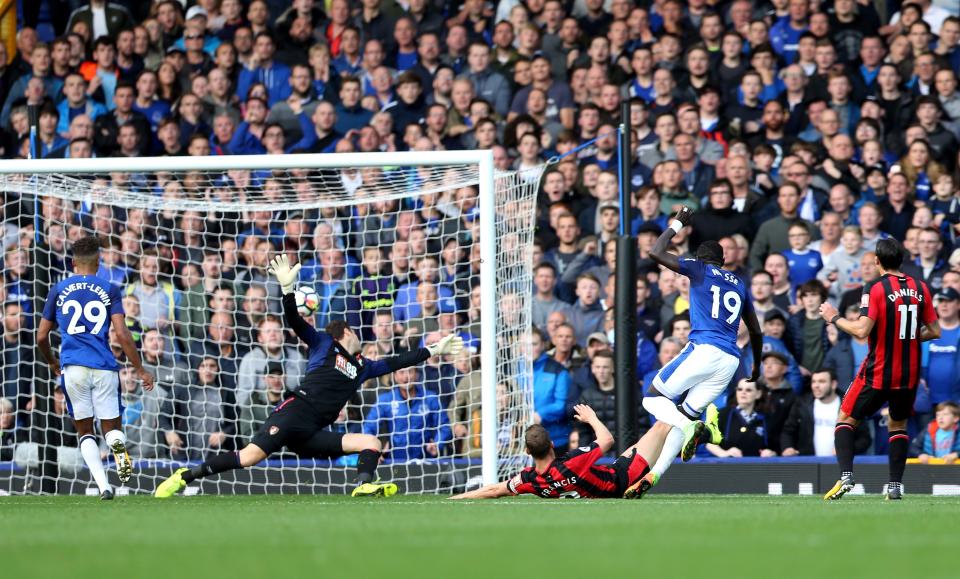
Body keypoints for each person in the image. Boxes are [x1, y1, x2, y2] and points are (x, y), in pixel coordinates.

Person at [154, 256, 464, 499]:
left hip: (313, 432)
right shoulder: (323, 343)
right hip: (294, 413)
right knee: (248, 457)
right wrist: (288, 290)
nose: (359, 335)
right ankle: (186, 475)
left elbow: (397, 361)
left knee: (371, 442)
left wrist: (433, 349)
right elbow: (294, 321)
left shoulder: (363, 367)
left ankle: (363, 485)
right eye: (354, 331)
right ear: (343, 334)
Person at [638, 207, 763, 497]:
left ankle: (695, 426)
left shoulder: (700, 269)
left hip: (704, 348)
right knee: (682, 412)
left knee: (652, 398)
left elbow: (655, 252)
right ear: (723, 260)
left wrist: (677, 224)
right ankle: (655, 474)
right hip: (732, 360)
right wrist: (754, 366)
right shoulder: (740, 284)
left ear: (700, 259)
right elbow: (755, 331)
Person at [819, 239, 941, 501]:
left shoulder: (875, 288)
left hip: (878, 370)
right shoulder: (921, 287)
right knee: (898, 426)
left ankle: (846, 476)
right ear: (902, 259)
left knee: (846, 418)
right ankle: (895, 486)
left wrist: (834, 317)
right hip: (908, 374)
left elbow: (862, 331)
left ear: (877, 260)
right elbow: (934, 331)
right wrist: (905, 337)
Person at [36, 236, 156, 500]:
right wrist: (140, 370)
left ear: (73, 263)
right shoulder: (110, 288)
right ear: (99, 262)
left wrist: (52, 362)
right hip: (104, 365)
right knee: (112, 427)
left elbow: (41, 337)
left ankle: (103, 486)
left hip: (73, 368)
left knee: (85, 430)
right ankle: (118, 446)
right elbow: (123, 334)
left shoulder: (58, 289)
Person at [449, 403, 672, 500]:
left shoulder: (530, 480)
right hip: (624, 477)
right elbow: (607, 440)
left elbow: (495, 490)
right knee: (664, 424)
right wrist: (591, 418)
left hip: (614, 477)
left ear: (527, 450)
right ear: (552, 445)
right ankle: (699, 407)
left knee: (649, 440)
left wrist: (459, 498)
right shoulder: (573, 461)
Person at [780, 369, 870, 457]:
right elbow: (788, 431)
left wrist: (847, 449)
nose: (816, 385)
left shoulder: (850, 406)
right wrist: (788, 447)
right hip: (809, 465)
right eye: (813, 382)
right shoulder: (802, 404)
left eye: (821, 381)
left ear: (833, 384)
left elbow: (864, 439)